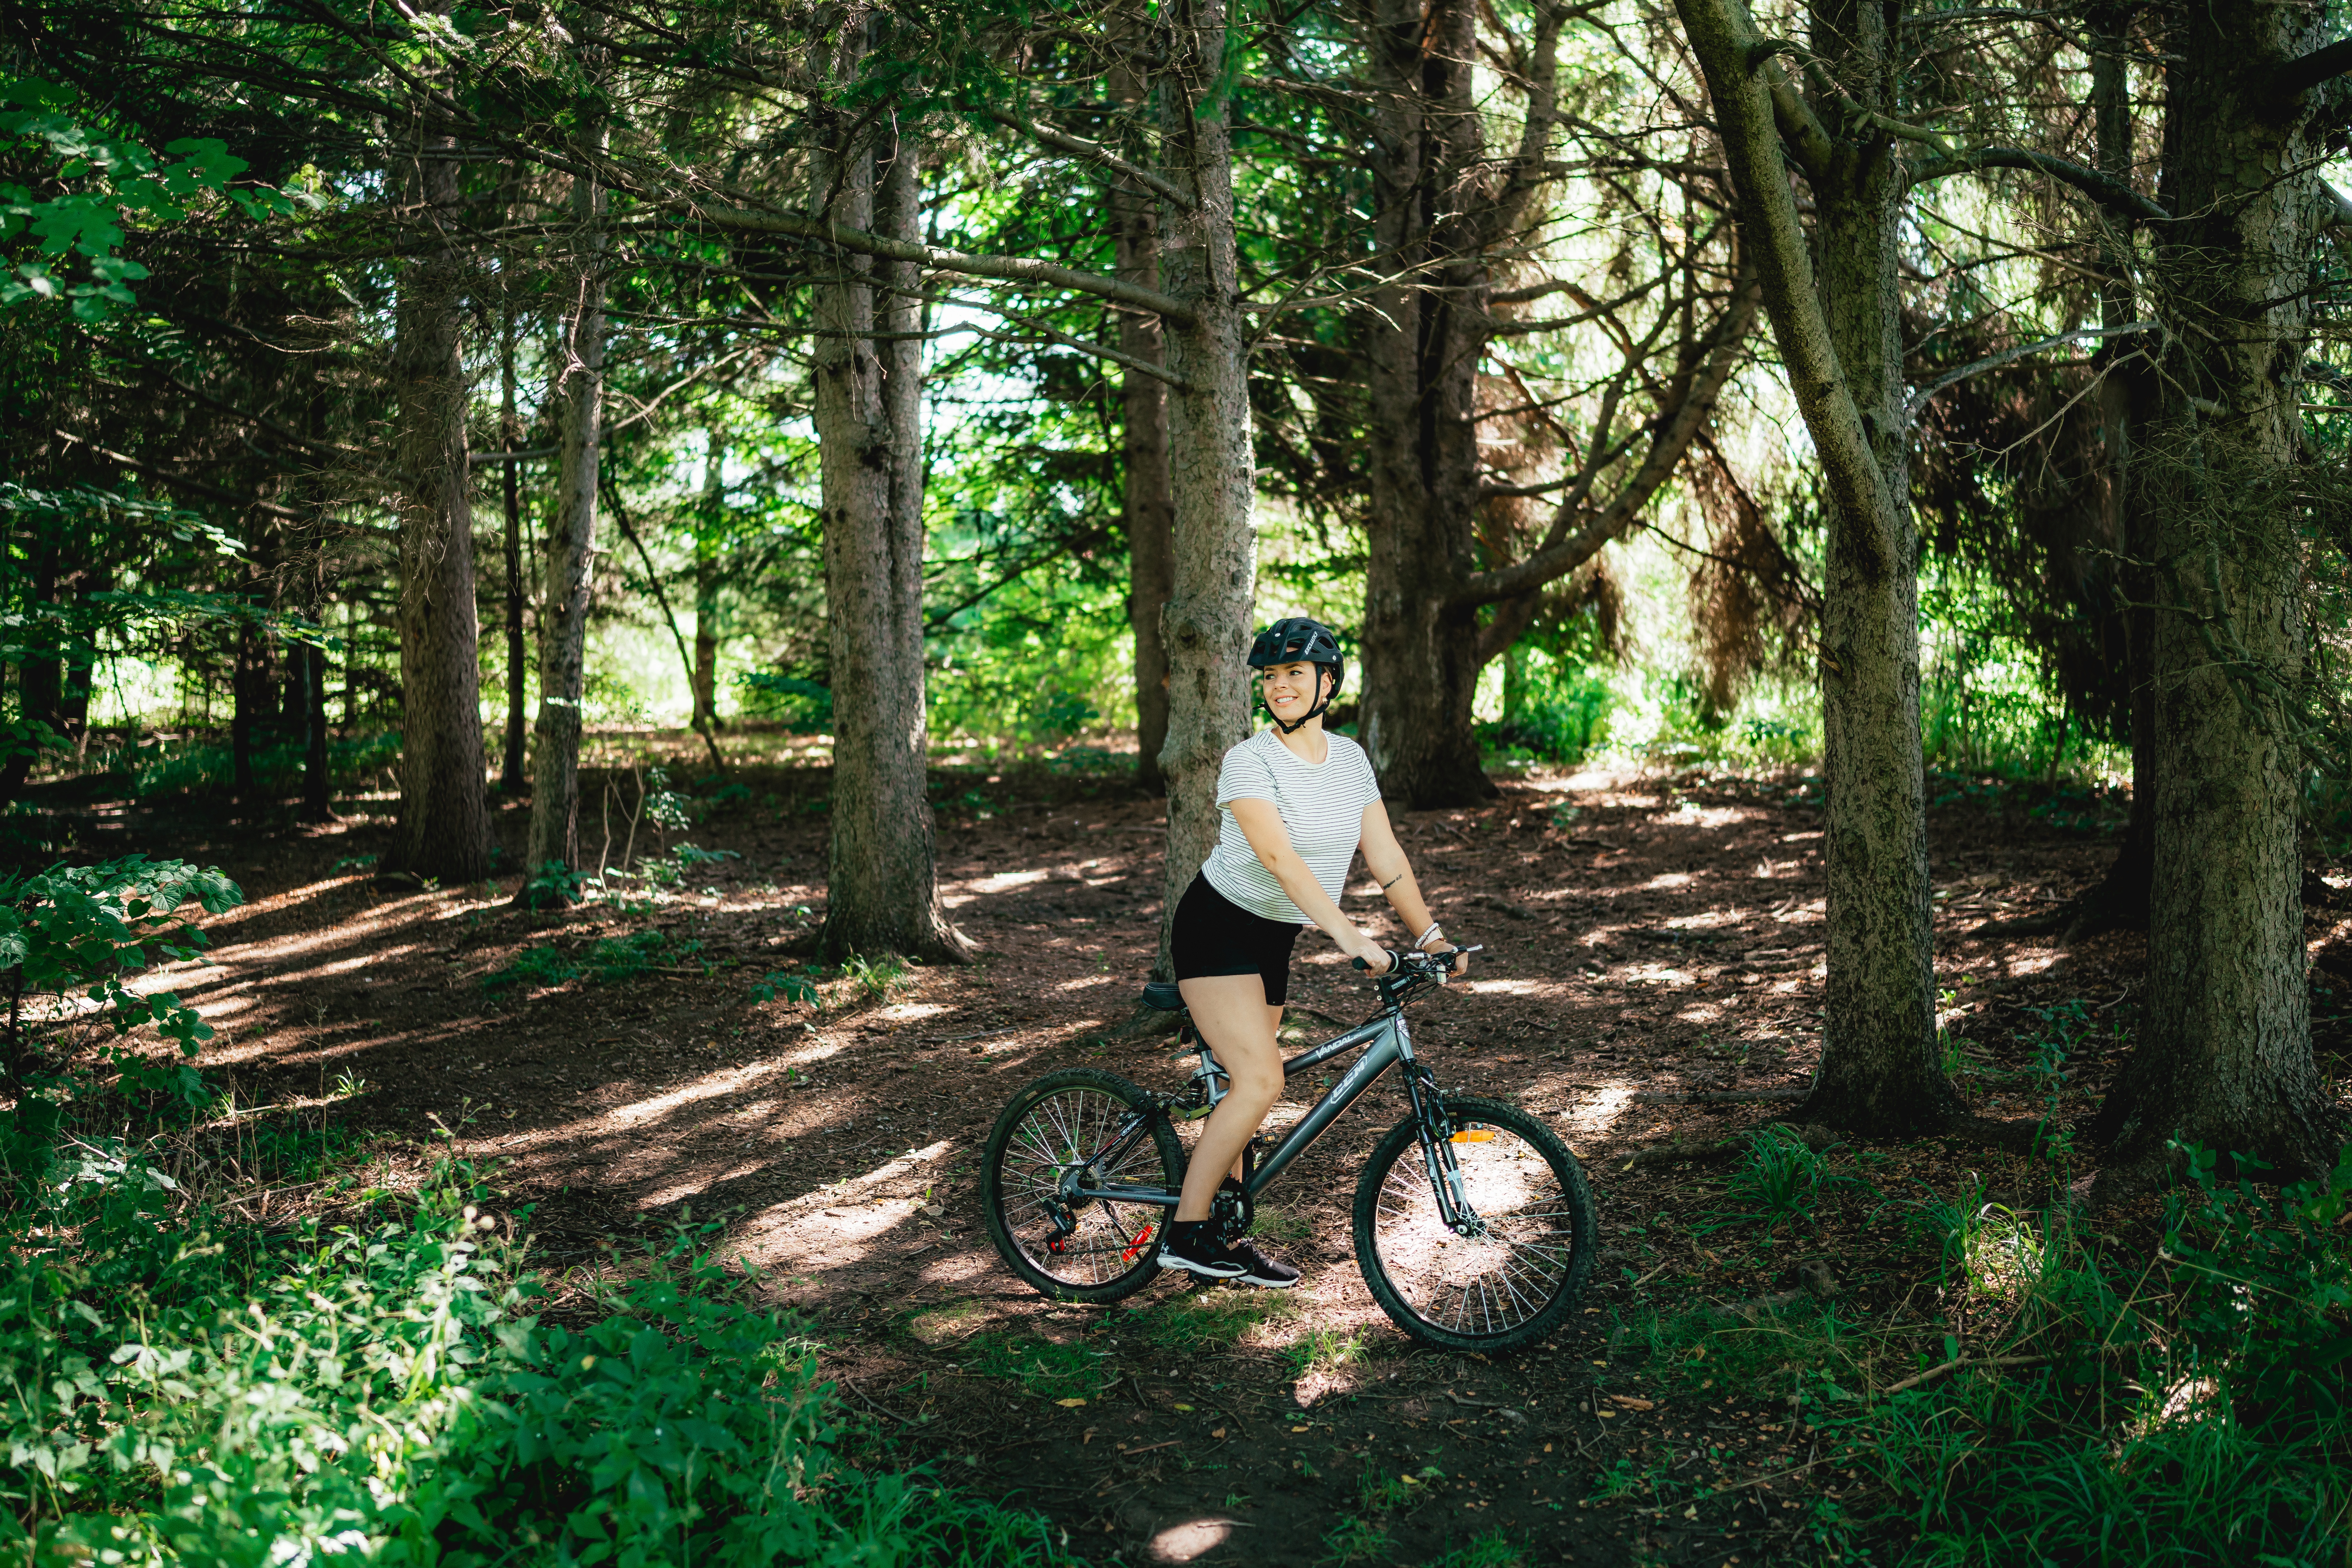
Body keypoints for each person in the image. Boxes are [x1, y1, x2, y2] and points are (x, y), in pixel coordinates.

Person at [1155, 617, 1463, 1287]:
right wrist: (1350, 935)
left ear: (1328, 683)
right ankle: (1185, 1234)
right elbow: (1280, 859)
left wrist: (1430, 935)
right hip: (1217, 927)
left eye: (1294, 673)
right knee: (1261, 1080)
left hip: (1274, 936)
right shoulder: (1249, 761)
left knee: (1246, 1084)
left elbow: (1386, 857)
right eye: (1270, 676)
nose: (1279, 686)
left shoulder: (1350, 761)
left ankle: (1223, 1237)